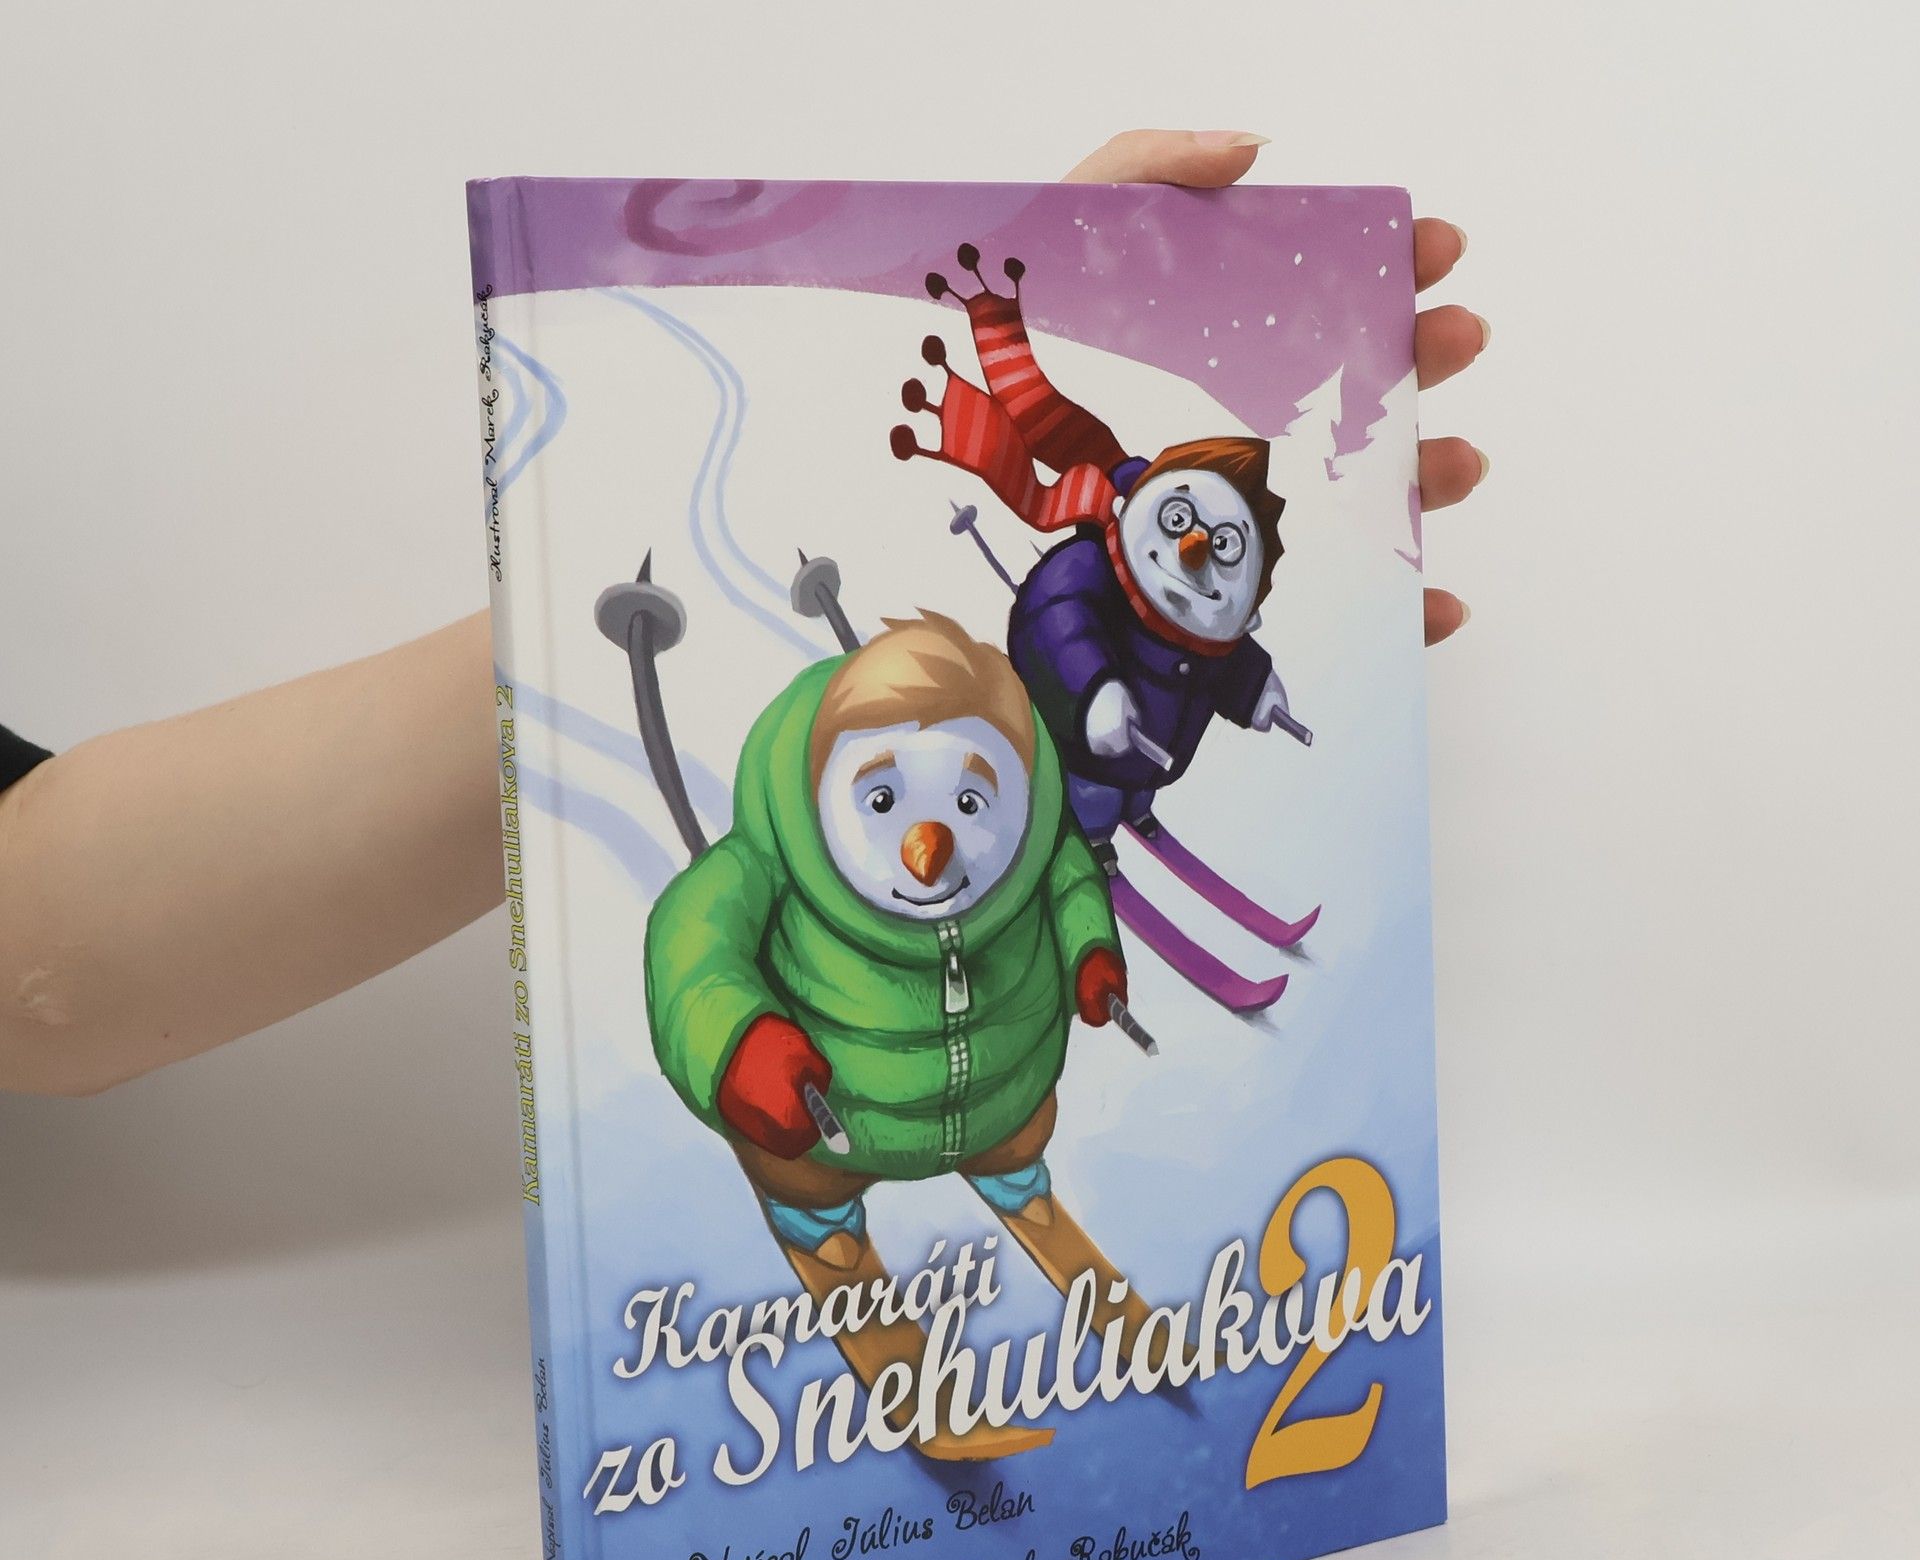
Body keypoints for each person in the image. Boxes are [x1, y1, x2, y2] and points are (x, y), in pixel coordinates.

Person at [0, 129, 1488, 1100]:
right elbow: (46, 976)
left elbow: (47, 941)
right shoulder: (1082, 575)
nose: (1193, 556)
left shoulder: (1191, 602)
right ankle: (1067, 886)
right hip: (1041, 779)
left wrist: (1257, 687)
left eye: (1221, 552)